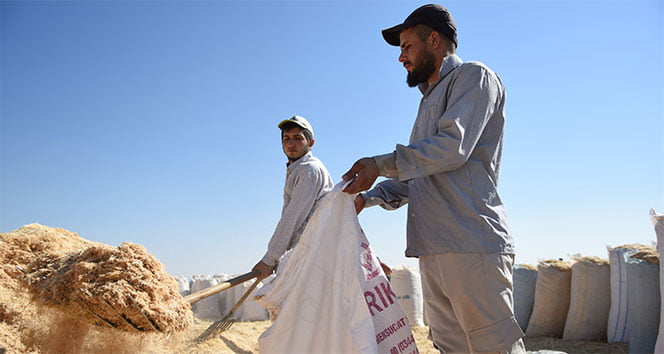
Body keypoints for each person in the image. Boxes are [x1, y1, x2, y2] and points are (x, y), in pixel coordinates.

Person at [342, 4, 525, 353]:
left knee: (493, 347)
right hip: (432, 249)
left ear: (435, 40)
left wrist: (380, 164)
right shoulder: (427, 102)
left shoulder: (474, 77)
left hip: (470, 244)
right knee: (449, 347)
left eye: (407, 46)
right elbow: (418, 176)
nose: (401, 57)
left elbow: (451, 148)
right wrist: (370, 196)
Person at [253, 116, 334, 281]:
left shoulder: (309, 170)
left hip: (311, 255)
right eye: (286, 139)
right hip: (302, 252)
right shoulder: (297, 169)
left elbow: (293, 217)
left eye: (298, 138)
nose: (291, 144)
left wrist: (270, 259)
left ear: (310, 143)